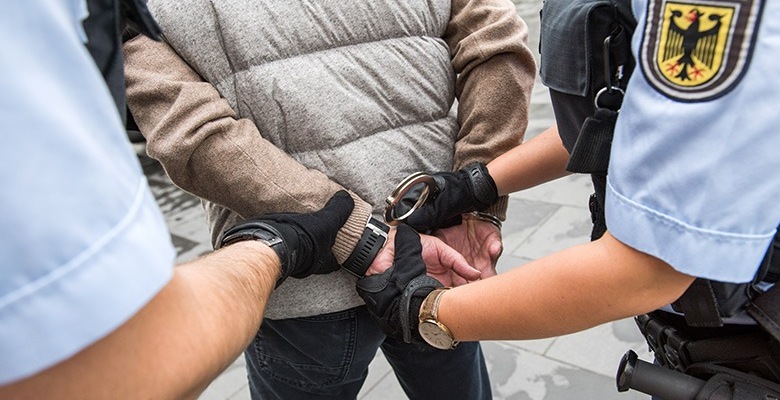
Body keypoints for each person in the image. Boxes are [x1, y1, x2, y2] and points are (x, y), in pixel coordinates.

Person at [356, 0, 780, 396]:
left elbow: (650, 268)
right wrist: (476, 184)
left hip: (768, 344)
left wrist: (430, 311)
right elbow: (620, 127)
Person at [0, 1, 426, 398]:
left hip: (348, 275)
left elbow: (129, 354)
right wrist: (473, 199)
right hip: (432, 239)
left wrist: (286, 244)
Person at [122, 0, 536, 398]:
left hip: (306, 281)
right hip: (443, 245)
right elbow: (496, 42)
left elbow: (189, 128)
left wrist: (360, 236)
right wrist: (473, 196)